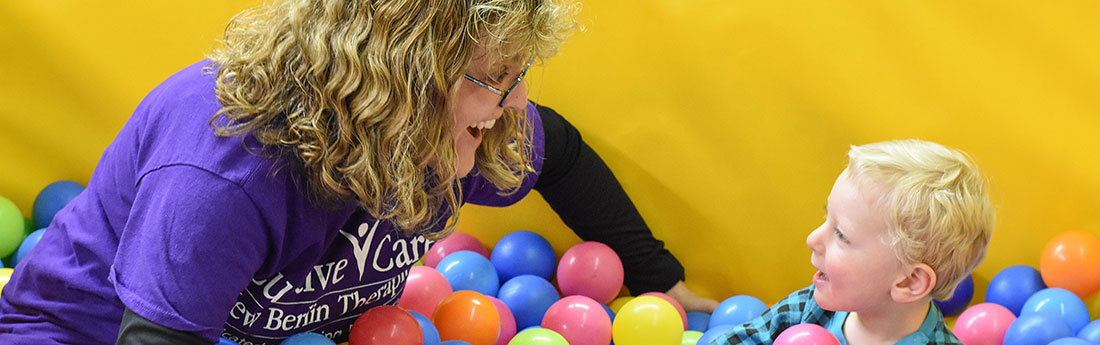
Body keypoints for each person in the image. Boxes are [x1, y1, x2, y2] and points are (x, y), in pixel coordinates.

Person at [0, 0, 716, 344]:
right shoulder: (228, 167)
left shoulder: (449, 136)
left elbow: (556, 149)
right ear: (400, 81)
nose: (514, 101)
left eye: (518, 73)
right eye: (495, 77)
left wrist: (657, 277)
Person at [710, 139, 994, 345]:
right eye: (826, 218)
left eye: (842, 235)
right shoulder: (809, 308)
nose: (813, 239)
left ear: (908, 281)